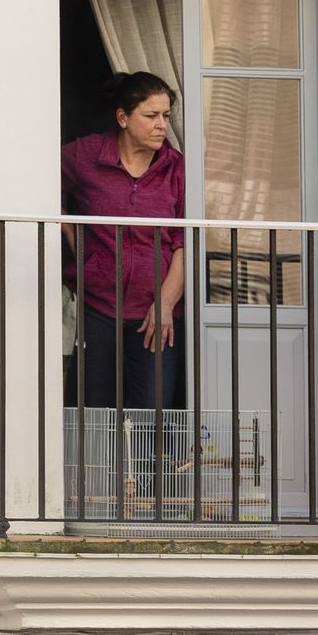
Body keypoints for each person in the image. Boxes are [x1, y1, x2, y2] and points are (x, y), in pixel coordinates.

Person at [61, 71, 186, 410]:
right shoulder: (85, 156)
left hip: (155, 312)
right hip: (97, 308)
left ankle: (143, 467)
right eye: (151, 115)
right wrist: (75, 240)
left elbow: (184, 242)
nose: (162, 125)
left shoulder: (176, 169)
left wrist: (165, 304)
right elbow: (38, 179)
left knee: (151, 412)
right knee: (95, 412)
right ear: (123, 117)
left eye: (166, 115)